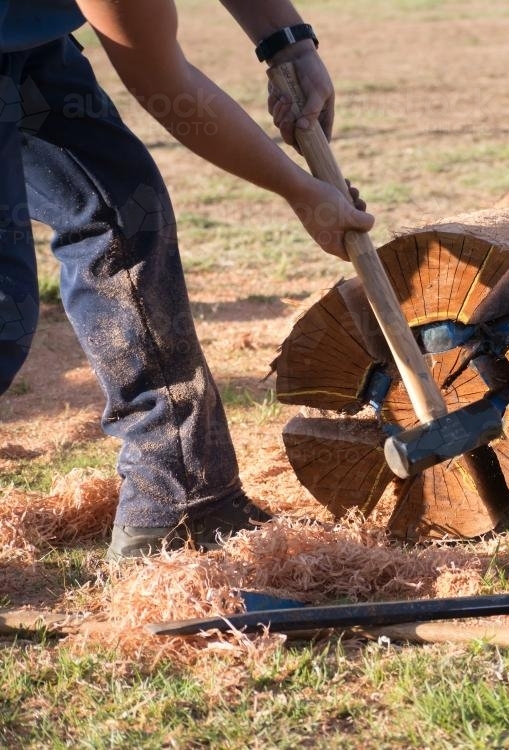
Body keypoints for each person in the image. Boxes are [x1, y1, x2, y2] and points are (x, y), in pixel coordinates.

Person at [0, 0, 374, 559]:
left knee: (123, 212)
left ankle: (176, 499)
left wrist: (288, 41)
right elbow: (162, 81)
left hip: (21, 40)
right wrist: (299, 190)